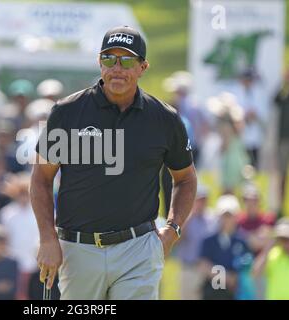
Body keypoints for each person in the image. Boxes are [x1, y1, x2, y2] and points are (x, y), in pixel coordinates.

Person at [30, 26, 197, 300]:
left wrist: (173, 229)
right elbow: (41, 178)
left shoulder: (164, 119)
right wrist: (47, 238)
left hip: (138, 249)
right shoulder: (67, 113)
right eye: (109, 59)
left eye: (127, 60)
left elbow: (186, 178)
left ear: (143, 67)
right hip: (78, 248)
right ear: (99, 62)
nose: (117, 68)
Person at [198, 195, 252, 300]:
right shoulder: (208, 241)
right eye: (224, 216)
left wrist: (236, 278)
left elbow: (246, 265)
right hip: (212, 293)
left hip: (235, 293)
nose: (227, 220)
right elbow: (203, 265)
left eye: (230, 216)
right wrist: (226, 278)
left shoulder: (242, 241)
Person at [0, 172, 40, 299]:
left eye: (25, 192)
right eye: (20, 192)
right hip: (14, 264)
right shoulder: (6, 213)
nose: (23, 196)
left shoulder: (39, 211)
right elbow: (4, 239)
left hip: (36, 264)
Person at [176, 185, 217, 300]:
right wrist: (190, 216)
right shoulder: (185, 218)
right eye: (198, 200)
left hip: (209, 270)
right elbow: (177, 239)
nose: (201, 203)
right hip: (190, 268)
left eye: (204, 200)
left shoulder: (212, 218)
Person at [252, 218, 289, 300]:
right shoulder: (273, 255)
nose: (286, 243)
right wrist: (269, 246)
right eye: (282, 239)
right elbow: (255, 273)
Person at [274, 67, 289, 215]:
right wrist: (284, 83)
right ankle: (281, 206)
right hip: (284, 140)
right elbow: (275, 100)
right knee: (283, 175)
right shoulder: (284, 94)